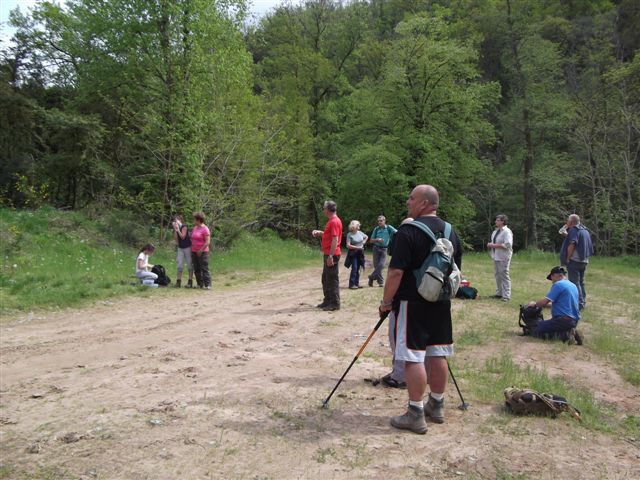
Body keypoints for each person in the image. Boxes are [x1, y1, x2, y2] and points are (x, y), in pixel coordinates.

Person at [379, 185, 462, 434]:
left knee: (413, 356)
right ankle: (436, 405)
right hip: (441, 301)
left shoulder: (408, 231)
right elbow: (455, 270)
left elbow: (395, 272)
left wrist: (385, 303)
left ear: (425, 203)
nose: (408, 202)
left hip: (412, 303)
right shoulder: (451, 232)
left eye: (412, 198)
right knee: (437, 353)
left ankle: (415, 413)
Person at [379, 217, 413, 389]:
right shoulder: (427, 240)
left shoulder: (405, 238)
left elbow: (395, 274)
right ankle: (406, 374)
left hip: (403, 301)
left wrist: (386, 303)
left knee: (398, 337)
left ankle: (399, 376)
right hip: (424, 300)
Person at [528, 266, 582, 344]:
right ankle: (570, 330)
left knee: (536, 330)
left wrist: (534, 304)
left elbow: (544, 302)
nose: (552, 281)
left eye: (551, 278)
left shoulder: (558, 284)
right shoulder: (573, 285)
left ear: (554, 275)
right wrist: (545, 306)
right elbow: (561, 304)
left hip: (562, 320)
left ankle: (566, 336)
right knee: (547, 327)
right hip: (573, 321)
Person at [311, 200, 343, 311]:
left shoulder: (334, 221)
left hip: (332, 254)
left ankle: (334, 303)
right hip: (328, 253)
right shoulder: (332, 221)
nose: (323, 210)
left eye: (324, 208)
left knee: (332, 279)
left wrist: (330, 256)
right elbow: (331, 235)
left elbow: (335, 239)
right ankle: (328, 300)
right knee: (325, 278)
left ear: (328, 210)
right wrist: (321, 233)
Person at [560, 214, 594, 310]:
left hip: (575, 261)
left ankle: (579, 304)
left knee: (575, 283)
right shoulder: (584, 229)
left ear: (571, 222)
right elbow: (579, 241)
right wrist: (567, 234)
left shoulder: (574, 230)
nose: (566, 222)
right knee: (581, 282)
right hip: (584, 261)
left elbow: (572, 244)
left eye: (567, 221)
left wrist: (567, 258)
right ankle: (582, 302)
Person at [487, 214, 513, 302]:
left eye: (498, 220)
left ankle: (506, 295)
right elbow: (495, 241)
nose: (496, 221)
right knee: (497, 275)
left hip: (504, 257)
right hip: (496, 256)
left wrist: (493, 245)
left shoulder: (506, 231)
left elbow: (508, 244)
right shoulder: (495, 231)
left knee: (504, 275)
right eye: (496, 220)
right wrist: (491, 244)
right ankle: (499, 293)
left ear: (502, 221)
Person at [368, 215, 398, 287]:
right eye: (378, 221)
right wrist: (377, 239)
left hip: (384, 249)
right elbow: (371, 240)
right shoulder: (376, 229)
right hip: (376, 248)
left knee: (381, 265)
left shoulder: (388, 228)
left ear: (384, 221)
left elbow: (397, 232)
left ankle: (371, 277)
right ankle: (380, 282)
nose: (379, 222)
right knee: (376, 266)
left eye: (381, 221)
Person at [191, 212, 211, 290]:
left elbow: (207, 242)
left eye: (195, 219)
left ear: (199, 220)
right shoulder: (195, 228)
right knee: (196, 268)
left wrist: (201, 250)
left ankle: (208, 284)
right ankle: (200, 284)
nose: (194, 221)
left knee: (204, 268)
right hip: (194, 251)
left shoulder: (205, 229)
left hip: (203, 252)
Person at [345, 220, 368, 289]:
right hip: (353, 253)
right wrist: (357, 247)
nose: (359, 226)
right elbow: (348, 245)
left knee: (358, 268)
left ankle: (356, 284)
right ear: (354, 226)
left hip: (360, 253)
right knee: (354, 268)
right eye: (358, 225)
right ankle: (351, 284)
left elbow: (366, 237)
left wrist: (363, 243)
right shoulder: (349, 234)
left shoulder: (360, 233)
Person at [172, 215, 193, 288]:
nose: (175, 222)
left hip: (187, 247)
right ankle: (178, 281)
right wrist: (175, 230)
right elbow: (176, 240)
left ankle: (190, 282)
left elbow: (183, 237)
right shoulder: (176, 228)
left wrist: (178, 230)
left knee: (189, 264)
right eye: (174, 221)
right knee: (179, 264)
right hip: (180, 248)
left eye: (176, 220)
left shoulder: (184, 226)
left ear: (180, 220)